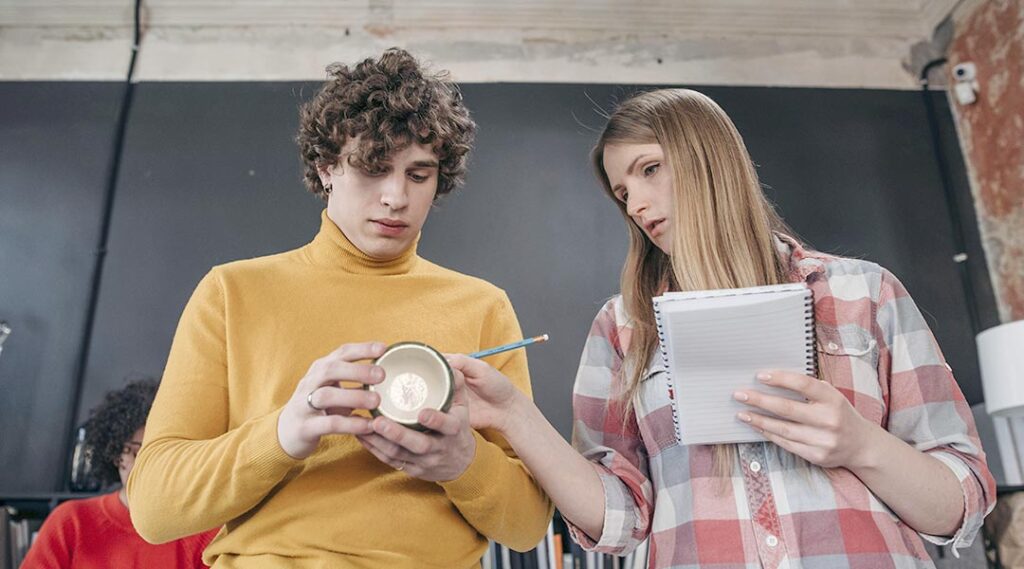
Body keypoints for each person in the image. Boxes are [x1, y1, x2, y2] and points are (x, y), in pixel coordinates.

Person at [449, 88, 996, 568]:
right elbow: (619, 522)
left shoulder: (866, 293)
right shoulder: (622, 329)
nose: (636, 205)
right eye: (622, 194)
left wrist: (860, 445)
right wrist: (514, 415)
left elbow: (960, 503)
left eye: (650, 169)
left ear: (709, 158)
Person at [125, 48, 552, 568]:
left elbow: (529, 526)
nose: (396, 197)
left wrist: (463, 462)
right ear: (326, 167)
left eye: (419, 175)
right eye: (373, 169)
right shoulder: (232, 293)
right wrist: (284, 433)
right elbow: (153, 508)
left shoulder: (484, 306)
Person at [21, 378, 217, 568]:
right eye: (136, 451)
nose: (147, 465)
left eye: (162, 454)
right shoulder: (71, 522)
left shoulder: (201, 534)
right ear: (116, 454)